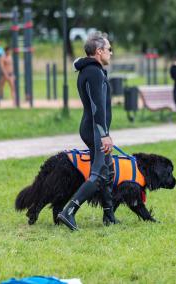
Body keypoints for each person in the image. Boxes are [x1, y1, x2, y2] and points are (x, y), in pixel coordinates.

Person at [57, 31, 117, 231]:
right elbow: (96, 106)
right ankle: (68, 212)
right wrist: (104, 134)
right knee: (99, 173)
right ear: (99, 51)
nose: (111, 52)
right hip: (94, 130)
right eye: (109, 49)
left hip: (93, 128)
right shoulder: (93, 72)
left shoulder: (92, 69)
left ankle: (109, 215)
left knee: (107, 170)